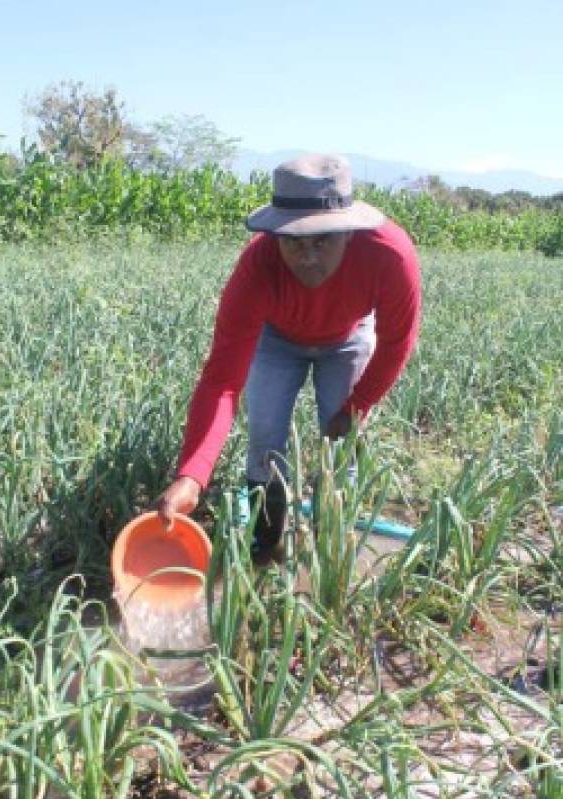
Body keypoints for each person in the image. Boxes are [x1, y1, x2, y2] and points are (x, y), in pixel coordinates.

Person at [157, 153, 421, 560]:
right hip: (276, 341)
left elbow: (395, 344)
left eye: (323, 241)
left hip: (349, 338)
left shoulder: (390, 255)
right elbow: (222, 382)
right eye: (293, 241)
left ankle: (329, 554)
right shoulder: (257, 267)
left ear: (349, 233)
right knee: (265, 441)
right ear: (275, 234)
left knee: (340, 449)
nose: (308, 256)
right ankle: (266, 548)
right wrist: (192, 476)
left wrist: (354, 409)